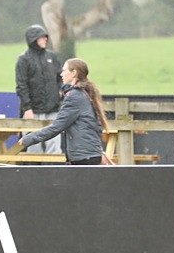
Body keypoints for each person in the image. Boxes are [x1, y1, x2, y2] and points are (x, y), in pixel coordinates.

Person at [16, 58, 109, 165]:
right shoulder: (84, 93)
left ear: (74, 73)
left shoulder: (74, 96)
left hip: (84, 157)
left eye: (64, 70)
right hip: (88, 155)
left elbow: (57, 127)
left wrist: (29, 138)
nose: (61, 74)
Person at [14, 24, 63, 154]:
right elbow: (21, 86)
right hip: (33, 111)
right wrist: (27, 109)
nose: (45, 39)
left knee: (54, 145)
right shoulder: (23, 59)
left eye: (46, 37)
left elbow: (60, 78)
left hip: (53, 109)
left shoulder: (52, 57)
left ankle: (54, 172)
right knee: (34, 148)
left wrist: (60, 95)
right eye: (42, 37)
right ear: (33, 39)